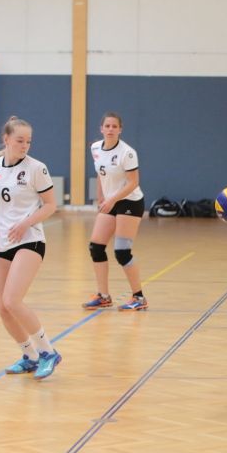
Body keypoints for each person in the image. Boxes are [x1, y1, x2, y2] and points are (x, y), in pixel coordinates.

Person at [0, 116, 61, 380]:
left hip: (30, 239)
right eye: (19, 141)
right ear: (6, 140)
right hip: (5, 242)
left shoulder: (36, 168)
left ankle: (48, 352)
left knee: (12, 301)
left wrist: (26, 222)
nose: (25, 145)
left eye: (28, 141)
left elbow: (51, 205)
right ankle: (30, 356)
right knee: (3, 309)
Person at [82, 112, 148, 311]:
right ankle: (104, 296)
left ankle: (139, 297)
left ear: (120, 130)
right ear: (101, 128)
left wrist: (111, 199)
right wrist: (101, 198)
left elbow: (133, 183)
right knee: (96, 248)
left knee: (122, 251)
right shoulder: (95, 148)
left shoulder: (127, 153)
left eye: (114, 126)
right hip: (110, 201)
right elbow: (100, 174)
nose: (110, 129)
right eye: (107, 126)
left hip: (130, 201)